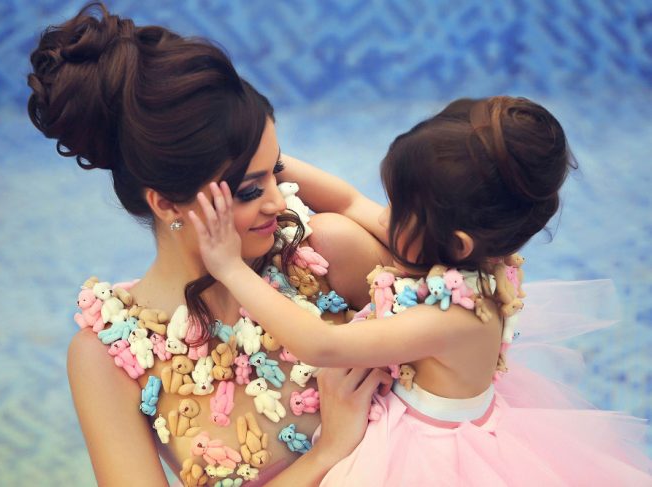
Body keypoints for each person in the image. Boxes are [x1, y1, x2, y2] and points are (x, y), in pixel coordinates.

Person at [191, 96, 652, 485]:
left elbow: (324, 344)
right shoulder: (463, 254)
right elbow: (349, 201)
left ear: (456, 243)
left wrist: (231, 268)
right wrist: (260, 162)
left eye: (401, 208)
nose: (386, 215)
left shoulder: (457, 318)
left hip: (429, 455)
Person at [27, 3, 392, 486]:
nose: (279, 200)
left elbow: (467, 283)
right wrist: (326, 452)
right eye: (247, 190)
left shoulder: (321, 255)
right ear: (165, 203)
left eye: (277, 171)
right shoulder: (109, 357)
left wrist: (346, 200)